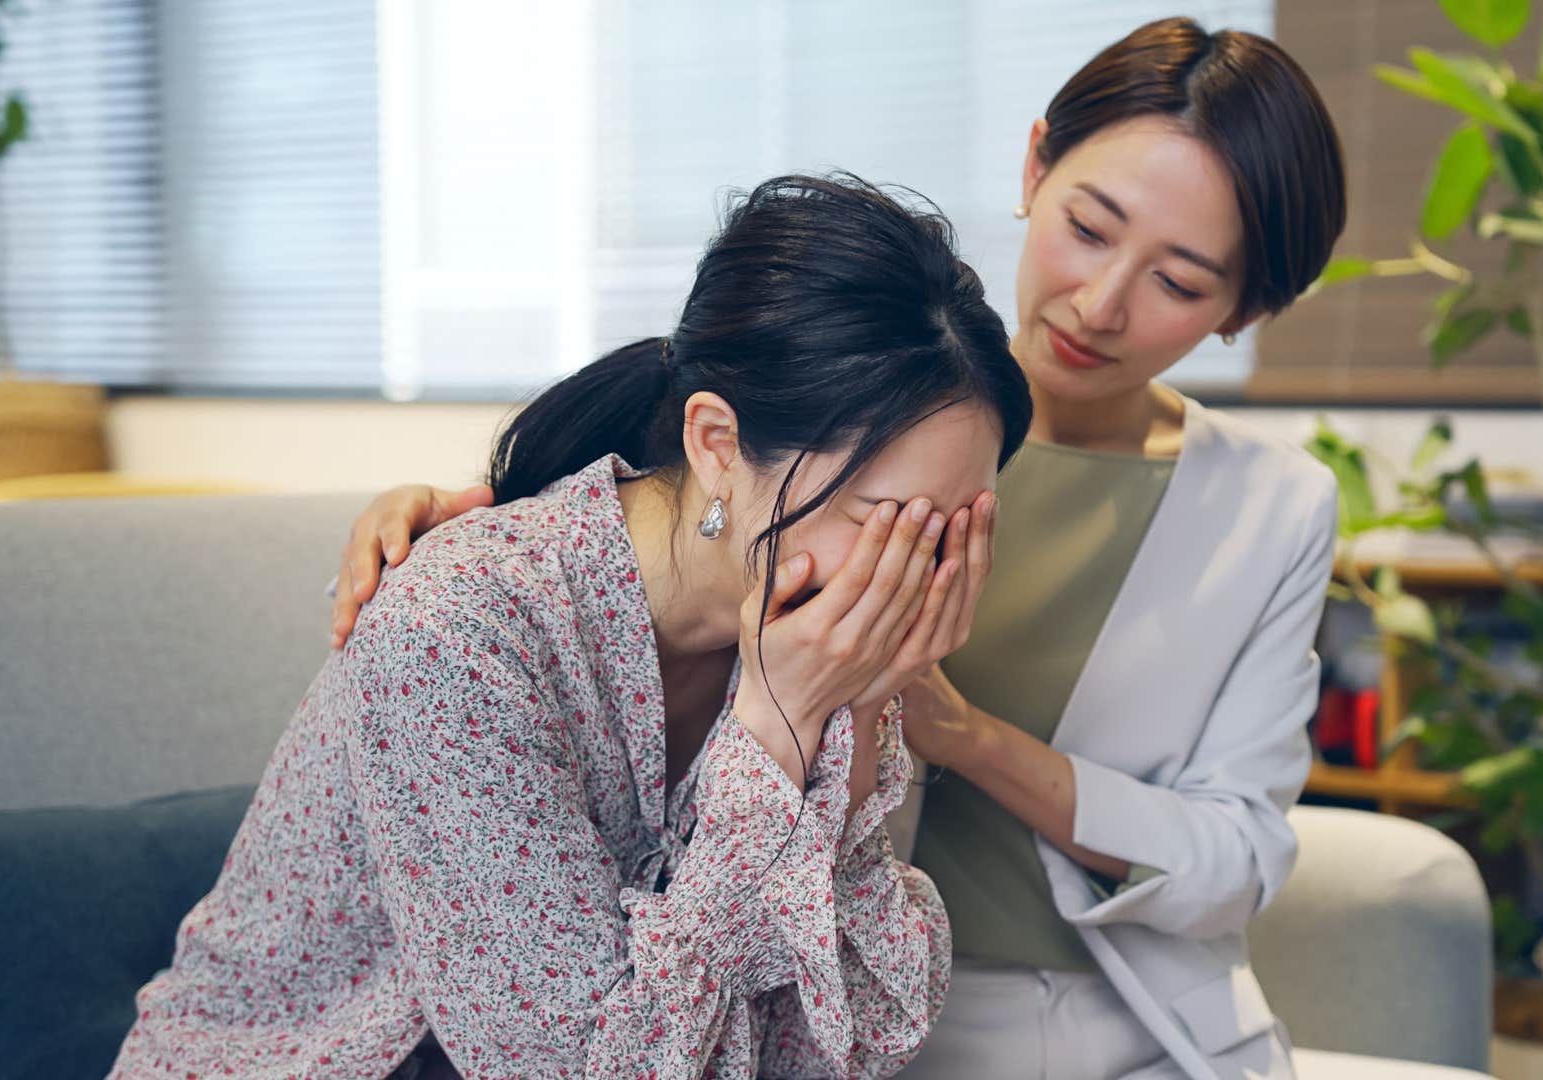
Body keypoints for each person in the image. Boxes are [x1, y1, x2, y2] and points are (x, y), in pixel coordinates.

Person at [330, 19, 1348, 1080]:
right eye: (1089, 227)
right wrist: (476, 515)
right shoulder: (851, 410)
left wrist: (949, 729)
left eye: (1180, 282)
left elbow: (1237, 856)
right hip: (886, 1016)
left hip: (1082, 1003)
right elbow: (633, 515)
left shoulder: (1262, 506)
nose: (1100, 304)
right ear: (1035, 165)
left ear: (1247, 309)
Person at [108, 173, 1034, 1080]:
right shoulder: (462, 628)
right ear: (717, 446)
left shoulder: (822, 645)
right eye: (888, 520)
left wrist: (854, 720)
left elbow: (843, 1045)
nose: (914, 572)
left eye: (959, 529)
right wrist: (775, 732)